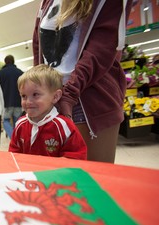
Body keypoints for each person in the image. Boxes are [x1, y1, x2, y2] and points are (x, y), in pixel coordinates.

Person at [32, 0, 133, 163]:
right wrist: (37, 90)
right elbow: (38, 46)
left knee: (92, 179)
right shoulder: (47, 3)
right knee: (57, 177)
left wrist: (69, 94)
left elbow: (102, 47)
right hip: (51, 100)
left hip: (89, 100)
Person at [9, 64, 87, 159]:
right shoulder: (20, 124)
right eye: (24, 96)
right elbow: (13, 154)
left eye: (35, 94)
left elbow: (77, 156)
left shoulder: (64, 126)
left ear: (55, 97)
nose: (28, 102)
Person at [0, 55, 23, 139]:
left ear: (5, 62)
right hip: (18, 102)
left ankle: (14, 138)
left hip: (6, 102)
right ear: (13, 61)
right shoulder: (20, 72)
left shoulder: (1, 73)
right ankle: (18, 139)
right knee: (17, 122)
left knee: (5, 121)